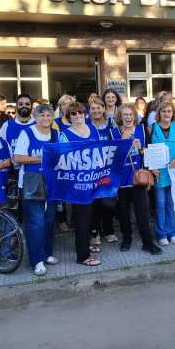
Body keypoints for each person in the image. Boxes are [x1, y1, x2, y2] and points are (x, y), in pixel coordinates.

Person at [12, 104, 57, 275]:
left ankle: (47, 254)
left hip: (51, 182)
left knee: (49, 220)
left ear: (52, 117)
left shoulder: (55, 134)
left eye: (48, 115)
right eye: (42, 115)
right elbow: (18, 157)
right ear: (36, 117)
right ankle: (36, 260)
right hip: (32, 183)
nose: (45, 118)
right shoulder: (27, 133)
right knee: (36, 223)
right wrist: (40, 159)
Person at [111, 104, 162, 255]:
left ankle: (147, 242)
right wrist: (124, 145)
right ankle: (127, 239)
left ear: (134, 116)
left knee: (143, 213)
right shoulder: (114, 133)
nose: (127, 117)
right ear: (120, 117)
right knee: (124, 213)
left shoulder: (141, 130)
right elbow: (111, 156)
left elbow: (149, 151)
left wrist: (141, 150)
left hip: (138, 178)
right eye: (124, 115)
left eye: (130, 114)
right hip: (121, 179)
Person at [57, 102, 102, 267]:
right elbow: (62, 159)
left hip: (94, 181)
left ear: (85, 114)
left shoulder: (94, 130)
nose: (77, 116)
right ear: (69, 117)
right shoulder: (65, 134)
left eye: (80, 112)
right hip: (77, 183)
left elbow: (101, 152)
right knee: (81, 218)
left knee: (92, 215)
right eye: (73, 114)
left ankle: (86, 243)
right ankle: (82, 256)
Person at [149, 101, 175, 246]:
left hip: (174, 171)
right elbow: (148, 150)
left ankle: (172, 232)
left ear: (173, 113)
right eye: (163, 111)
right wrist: (151, 168)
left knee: (171, 203)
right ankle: (161, 233)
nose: (166, 114)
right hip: (158, 172)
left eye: (169, 111)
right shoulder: (152, 127)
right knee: (160, 204)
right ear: (159, 113)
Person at [87, 97, 118, 246]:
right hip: (92, 171)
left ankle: (109, 230)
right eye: (93, 108)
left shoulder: (111, 124)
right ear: (89, 110)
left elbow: (118, 142)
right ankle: (94, 232)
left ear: (104, 108)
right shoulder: (85, 125)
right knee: (94, 202)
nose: (96, 110)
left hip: (109, 170)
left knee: (109, 201)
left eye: (99, 107)